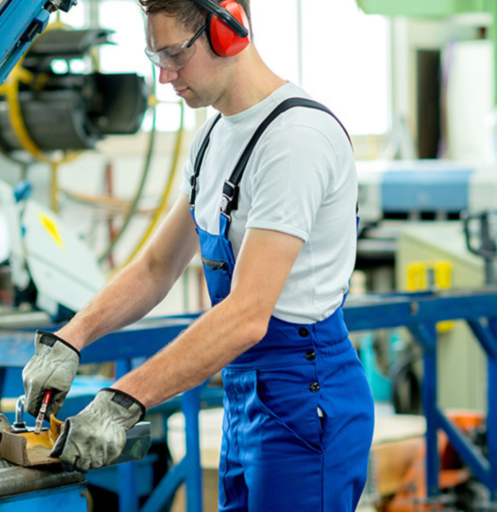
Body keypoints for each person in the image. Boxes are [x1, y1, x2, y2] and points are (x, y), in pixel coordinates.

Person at [22, 0, 375, 509]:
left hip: (305, 395)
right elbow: (155, 267)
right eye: (154, 57)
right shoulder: (213, 135)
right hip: (245, 393)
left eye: (174, 55)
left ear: (228, 29)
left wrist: (124, 399)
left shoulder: (295, 140)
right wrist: (69, 339)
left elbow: (248, 315)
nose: (164, 77)